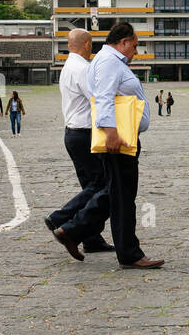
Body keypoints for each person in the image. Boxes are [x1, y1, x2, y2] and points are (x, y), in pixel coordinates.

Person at [50, 22, 163, 269]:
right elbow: (103, 96)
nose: (136, 52)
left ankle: (71, 230)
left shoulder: (107, 61)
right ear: (122, 43)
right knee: (121, 198)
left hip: (122, 137)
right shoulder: (110, 62)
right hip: (118, 139)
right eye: (134, 46)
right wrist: (111, 132)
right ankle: (126, 252)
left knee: (116, 194)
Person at [44, 29, 114, 255]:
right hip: (85, 134)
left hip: (72, 133)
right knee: (102, 184)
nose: (92, 48)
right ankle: (60, 217)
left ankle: (91, 238)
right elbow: (97, 99)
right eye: (91, 44)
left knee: (89, 186)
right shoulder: (83, 69)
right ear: (86, 44)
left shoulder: (67, 67)